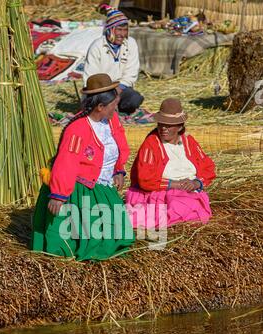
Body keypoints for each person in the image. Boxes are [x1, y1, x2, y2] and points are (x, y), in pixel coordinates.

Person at [32, 73, 135, 260]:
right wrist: (59, 194)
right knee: (88, 232)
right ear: (100, 107)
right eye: (113, 105)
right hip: (81, 187)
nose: (116, 108)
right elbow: (66, 162)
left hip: (103, 183)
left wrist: (118, 169)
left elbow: (119, 146)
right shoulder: (78, 129)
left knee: (119, 229)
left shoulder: (111, 121)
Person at [126, 98, 216, 229]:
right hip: (159, 193)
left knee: (191, 204)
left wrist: (196, 183)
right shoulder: (151, 143)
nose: (163, 129)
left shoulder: (188, 141)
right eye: (161, 124)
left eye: (169, 125)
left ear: (179, 127)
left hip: (189, 191)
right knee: (177, 205)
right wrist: (176, 185)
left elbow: (208, 168)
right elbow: (145, 179)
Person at [83, 4, 143, 115]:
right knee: (98, 103)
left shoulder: (131, 44)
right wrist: (107, 94)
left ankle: (115, 109)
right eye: (119, 30)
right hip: (99, 91)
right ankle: (109, 108)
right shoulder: (97, 47)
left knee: (135, 99)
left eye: (125, 30)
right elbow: (90, 77)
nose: (122, 34)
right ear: (110, 29)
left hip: (120, 89)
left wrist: (118, 90)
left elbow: (131, 73)